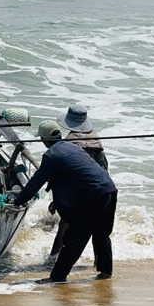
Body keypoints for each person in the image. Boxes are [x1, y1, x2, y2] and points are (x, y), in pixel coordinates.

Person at [11, 120, 117, 282]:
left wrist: (18, 201)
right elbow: (73, 176)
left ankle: (57, 277)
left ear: (44, 140)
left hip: (93, 195)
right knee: (101, 234)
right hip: (109, 189)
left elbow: (36, 182)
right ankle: (105, 272)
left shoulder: (51, 155)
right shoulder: (73, 147)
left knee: (74, 238)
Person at [49, 104, 109, 261]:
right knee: (98, 230)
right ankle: (99, 263)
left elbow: (64, 174)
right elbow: (103, 167)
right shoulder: (96, 139)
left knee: (65, 225)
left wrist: (57, 199)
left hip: (79, 192)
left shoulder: (69, 142)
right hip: (102, 189)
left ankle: (52, 259)